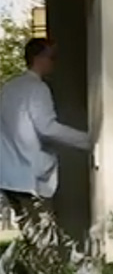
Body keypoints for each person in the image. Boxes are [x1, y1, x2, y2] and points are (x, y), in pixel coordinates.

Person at [0, 38, 93, 233]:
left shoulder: (9, 88)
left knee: (31, 237)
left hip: (9, 176)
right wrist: (89, 140)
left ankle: (32, 264)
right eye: (52, 57)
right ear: (38, 58)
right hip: (30, 177)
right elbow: (47, 127)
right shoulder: (37, 88)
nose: (54, 62)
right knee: (44, 239)